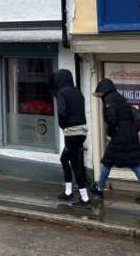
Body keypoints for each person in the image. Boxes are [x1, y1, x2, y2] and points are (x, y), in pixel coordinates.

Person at [90, 78, 140, 202]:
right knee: (134, 164)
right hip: (130, 135)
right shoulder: (120, 98)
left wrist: (110, 134)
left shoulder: (110, 100)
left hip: (120, 137)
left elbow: (112, 120)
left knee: (107, 162)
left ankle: (100, 188)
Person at [53, 69, 90, 207]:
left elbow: (62, 112)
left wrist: (63, 125)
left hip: (71, 133)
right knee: (64, 159)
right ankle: (68, 191)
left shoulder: (62, 93)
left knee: (76, 164)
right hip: (81, 132)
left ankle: (85, 199)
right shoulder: (77, 92)